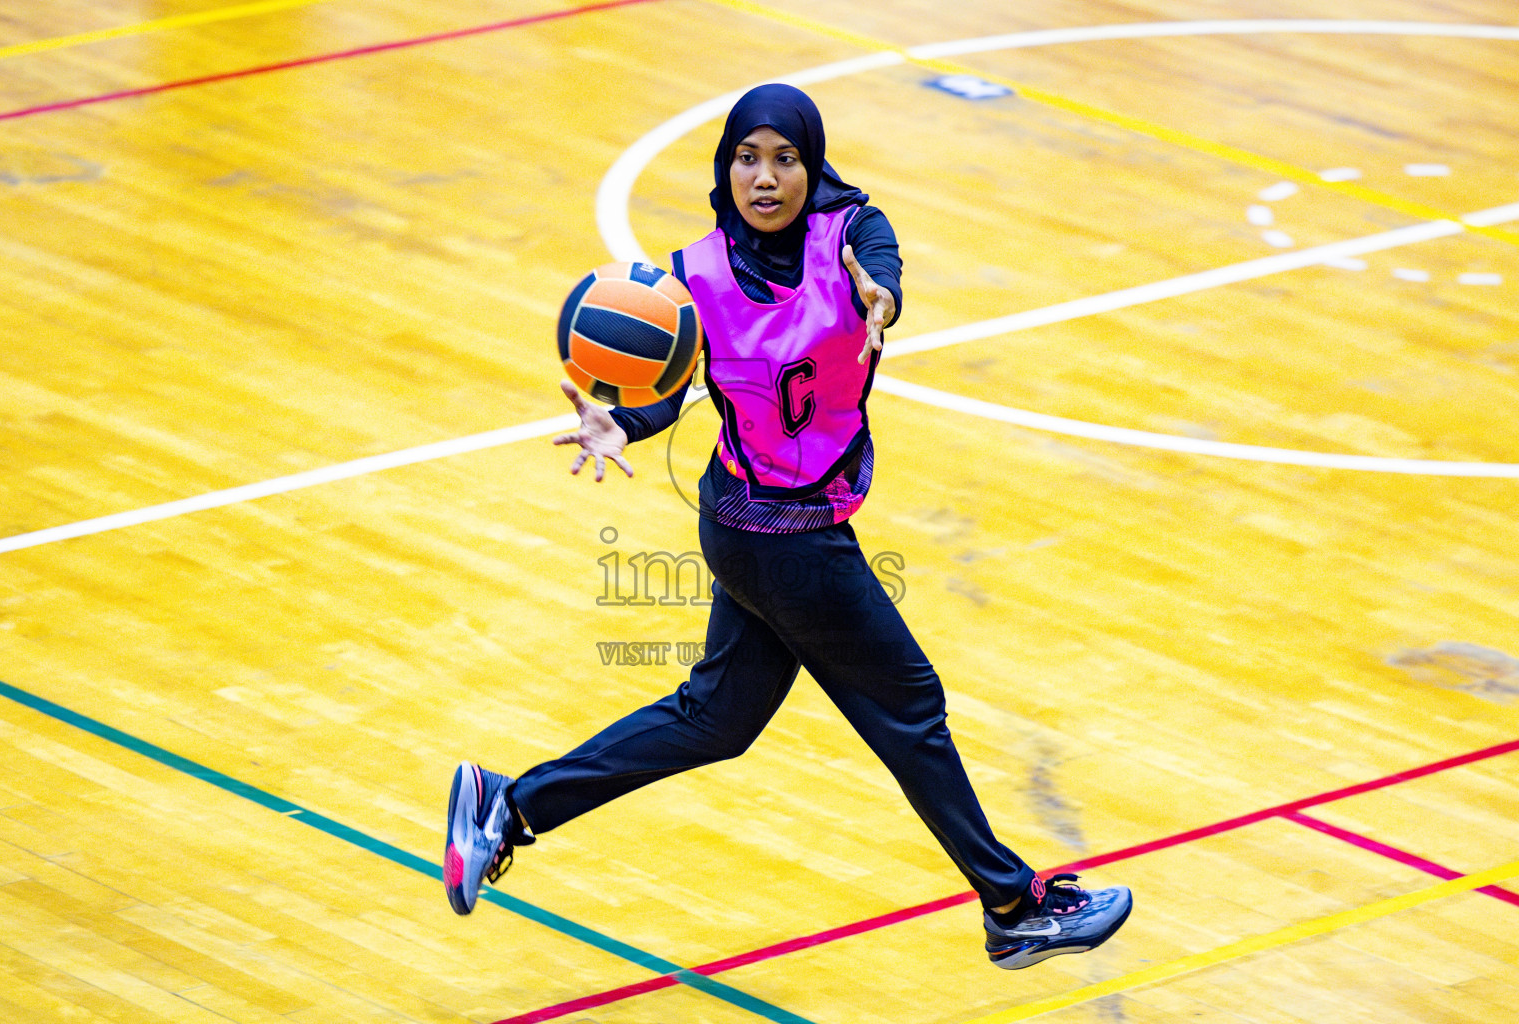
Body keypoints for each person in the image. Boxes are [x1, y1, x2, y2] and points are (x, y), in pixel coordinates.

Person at [442, 84, 1131, 969]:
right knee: (909, 706)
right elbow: (668, 383)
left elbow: (882, 275)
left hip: (770, 529)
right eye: (745, 159)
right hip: (779, 538)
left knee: (717, 720)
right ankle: (1011, 904)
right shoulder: (691, 275)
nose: (764, 178)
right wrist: (624, 421)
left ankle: (510, 806)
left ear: (812, 163)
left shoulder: (849, 234)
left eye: (784, 158)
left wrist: (879, 301)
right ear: (724, 169)